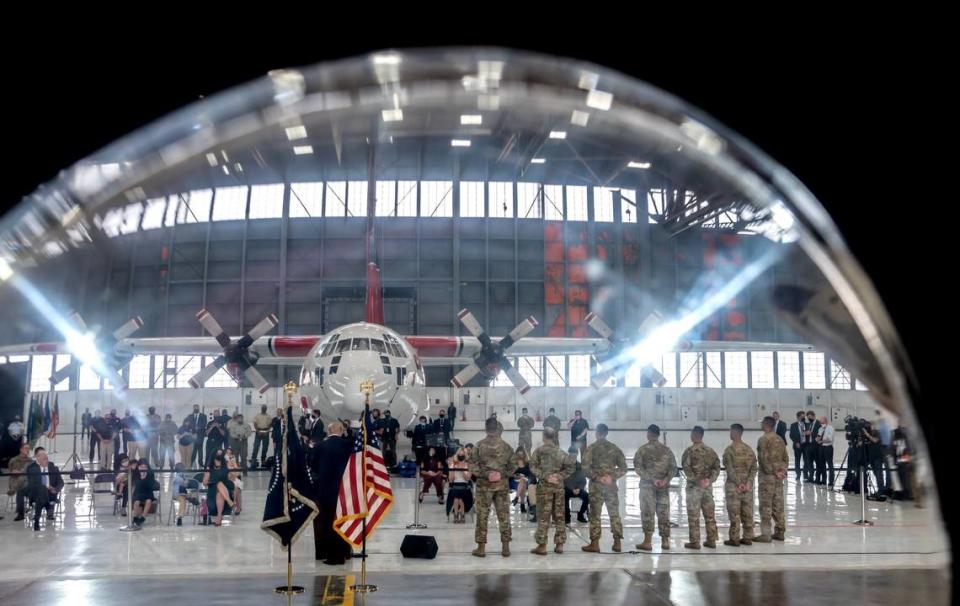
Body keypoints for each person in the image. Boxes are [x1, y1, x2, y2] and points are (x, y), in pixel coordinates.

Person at [467, 416, 516, 558]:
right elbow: (513, 465)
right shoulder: (506, 446)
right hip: (501, 486)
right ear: (497, 428)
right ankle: (505, 547)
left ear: (485, 428)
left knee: (482, 516)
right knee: (504, 515)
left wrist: (485, 474)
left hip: (484, 487)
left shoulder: (479, 445)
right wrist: (502, 474)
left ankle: (481, 548)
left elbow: (471, 465)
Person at [310, 421, 354, 565]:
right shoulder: (348, 445)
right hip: (344, 488)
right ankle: (344, 553)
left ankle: (332, 556)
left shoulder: (320, 446)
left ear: (328, 432)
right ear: (342, 431)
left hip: (325, 489)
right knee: (343, 520)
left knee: (328, 522)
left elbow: (313, 465)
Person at [580, 423, 626, 553]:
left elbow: (585, 467)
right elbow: (624, 468)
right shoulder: (614, 448)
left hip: (596, 488)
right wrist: (612, 477)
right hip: (610, 486)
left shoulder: (592, 448)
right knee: (614, 514)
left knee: (595, 515)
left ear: (597, 433)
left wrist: (597, 477)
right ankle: (617, 543)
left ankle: (595, 544)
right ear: (606, 433)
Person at [529, 427, 574, 555]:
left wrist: (546, 476)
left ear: (544, 436)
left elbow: (532, 466)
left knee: (543, 516)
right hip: (558, 488)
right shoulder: (561, 453)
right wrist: (559, 477)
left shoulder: (538, 451)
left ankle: (542, 546)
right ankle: (559, 545)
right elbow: (571, 467)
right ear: (555, 437)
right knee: (559, 515)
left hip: (544, 488)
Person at [633, 424, 677, 551]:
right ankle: (665, 541)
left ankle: (647, 542)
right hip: (663, 487)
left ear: (649, 434)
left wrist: (651, 478)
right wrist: (665, 480)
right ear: (658, 435)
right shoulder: (667, 450)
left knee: (648, 512)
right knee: (663, 513)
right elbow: (673, 468)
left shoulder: (643, 450)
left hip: (648, 486)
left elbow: (638, 468)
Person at [681, 426, 720, 549]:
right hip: (707, 489)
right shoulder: (710, 451)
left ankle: (695, 542)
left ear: (694, 435)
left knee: (694, 516)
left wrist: (697, 481)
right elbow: (717, 467)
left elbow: (686, 469)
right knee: (710, 515)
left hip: (694, 489)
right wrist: (709, 480)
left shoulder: (689, 451)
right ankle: (711, 540)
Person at [755, 416, 788, 542]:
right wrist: (781, 472)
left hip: (767, 479)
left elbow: (763, 459)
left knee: (765, 506)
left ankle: (766, 534)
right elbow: (785, 458)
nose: (761, 425)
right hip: (778, 479)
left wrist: (773, 472)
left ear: (766, 425)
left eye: (762, 423)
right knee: (778, 505)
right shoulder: (780, 439)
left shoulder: (763, 439)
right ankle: (780, 532)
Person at [24, 447, 63, 531]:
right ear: (38, 458)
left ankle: (37, 520)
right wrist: (46, 487)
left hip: (50, 494)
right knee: (41, 489)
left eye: (47, 458)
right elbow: (31, 484)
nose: (46, 460)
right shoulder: (31, 469)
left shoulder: (53, 468)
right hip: (35, 493)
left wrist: (55, 489)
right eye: (44, 458)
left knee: (41, 498)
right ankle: (48, 506)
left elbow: (61, 482)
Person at [203, 454, 235, 527]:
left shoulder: (226, 468)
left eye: (219, 461)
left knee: (220, 488)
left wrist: (232, 467)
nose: (218, 462)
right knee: (218, 485)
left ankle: (219, 515)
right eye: (216, 460)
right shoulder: (209, 469)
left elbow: (233, 478)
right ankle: (229, 502)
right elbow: (204, 483)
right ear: (213, 460)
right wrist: (212, 481)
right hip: (212, 491)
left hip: (226, 490)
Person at [446, 447, 473, 523]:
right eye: (460, 453)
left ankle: (459, 514)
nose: (461, 455)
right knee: (456, 496)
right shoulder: (453, 463)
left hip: (465, 485)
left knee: (459, 497)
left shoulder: (469, 464)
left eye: (463, 453)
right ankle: (458, 514)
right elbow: (451, 480)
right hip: (455, 484)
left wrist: (462, 470)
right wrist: (452, 469)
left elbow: (467, 479)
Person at [563, 446, 589, 524]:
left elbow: (583, 480)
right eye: (571, 455)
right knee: (563, 496)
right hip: (568, 488)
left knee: (588, 497)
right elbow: (564, 479)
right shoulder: (564, 466)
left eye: (574, 455)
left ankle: (580, 515)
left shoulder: (580, 466)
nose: (572, 457)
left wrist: (579, 488)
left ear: (577, 454)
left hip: (578, 489)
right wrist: (572, 488)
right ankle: (567, 516)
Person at [10, 443, 33, 521]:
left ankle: (30, 507)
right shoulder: (14, 460)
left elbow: (32, 473)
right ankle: (20, 513)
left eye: (28, 449)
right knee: (20, 490)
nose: (28, 450)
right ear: (21, 449)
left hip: (29, 484)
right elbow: (13, 473)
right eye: (26, 448)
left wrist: (21, 471)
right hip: (17, 483)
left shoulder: (31, 461)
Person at [130, 458, 156, 527]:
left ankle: (143, 517)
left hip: (148, 491)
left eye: (145, 467)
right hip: (138, 491)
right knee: (137, 502)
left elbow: (151, 483)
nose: (143, 468)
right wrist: (141, 477)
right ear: (138, 466)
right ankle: (135, 517)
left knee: (148, 501)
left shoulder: (150, 473)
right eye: (141, 467)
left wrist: (145, 477)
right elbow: (134, 484)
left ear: (147, 467)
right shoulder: (136, 473)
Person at [511, 447, 536, 516]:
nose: (520, 455)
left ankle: (517, 498)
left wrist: (524, 477)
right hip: (514, 481)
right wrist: (515, 475)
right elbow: (510, 473)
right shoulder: (513, 463)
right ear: (516, 454)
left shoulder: (527, 463)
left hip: (525, 480)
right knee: (522, 483)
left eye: (521, 453)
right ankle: (522, 504)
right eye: (518, 453)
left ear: (524, 454)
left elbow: (531, 474)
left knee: (523, 481)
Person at [815, 416, 835, 485]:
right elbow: (818, 437)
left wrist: (821, 441)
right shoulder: (820, 429)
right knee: (822, 464)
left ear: (826, 421)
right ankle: (824, 480)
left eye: (822, 421)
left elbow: (830, 439)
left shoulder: (830, 428)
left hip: (828, 448)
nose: (821, 423)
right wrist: (817, 439)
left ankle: (831, 481)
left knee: (830, 464)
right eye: (820, 422)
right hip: (821, 448)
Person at [801, 410, 820, 482]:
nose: (809, 419)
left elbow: (819, 433)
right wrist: (806, 433)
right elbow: (807, 432)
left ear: (813, 416)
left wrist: (811, 433)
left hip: (816, 446)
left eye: (810, 417)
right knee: (809, 462)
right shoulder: (810, 424)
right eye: (808, 418)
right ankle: (810, 477)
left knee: (817, 462)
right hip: (809, 445)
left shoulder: (818, 423)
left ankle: (817, 478)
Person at [224, 447, 243, 514]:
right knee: (235, 487)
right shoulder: (224, 463)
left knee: (237, 488)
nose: (229, 455)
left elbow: (238, 473)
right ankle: (236, 506)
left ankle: (238, 507)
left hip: (235, 479)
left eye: (230, 453)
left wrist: (233, 463)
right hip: (227, 480)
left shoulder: (234, 463)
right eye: (227, 453)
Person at [789, 411, 804, 480]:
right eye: (802, 416)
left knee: (806, 460)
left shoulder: (806, 424)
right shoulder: (793, 425)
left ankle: (806, 474)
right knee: (797, 460)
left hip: (806, 445)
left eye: (804, 416)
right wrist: (796, 442)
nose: (803, 417)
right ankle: (798, 474)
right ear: (798, 417)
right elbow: (791, 435)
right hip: (797, 445)